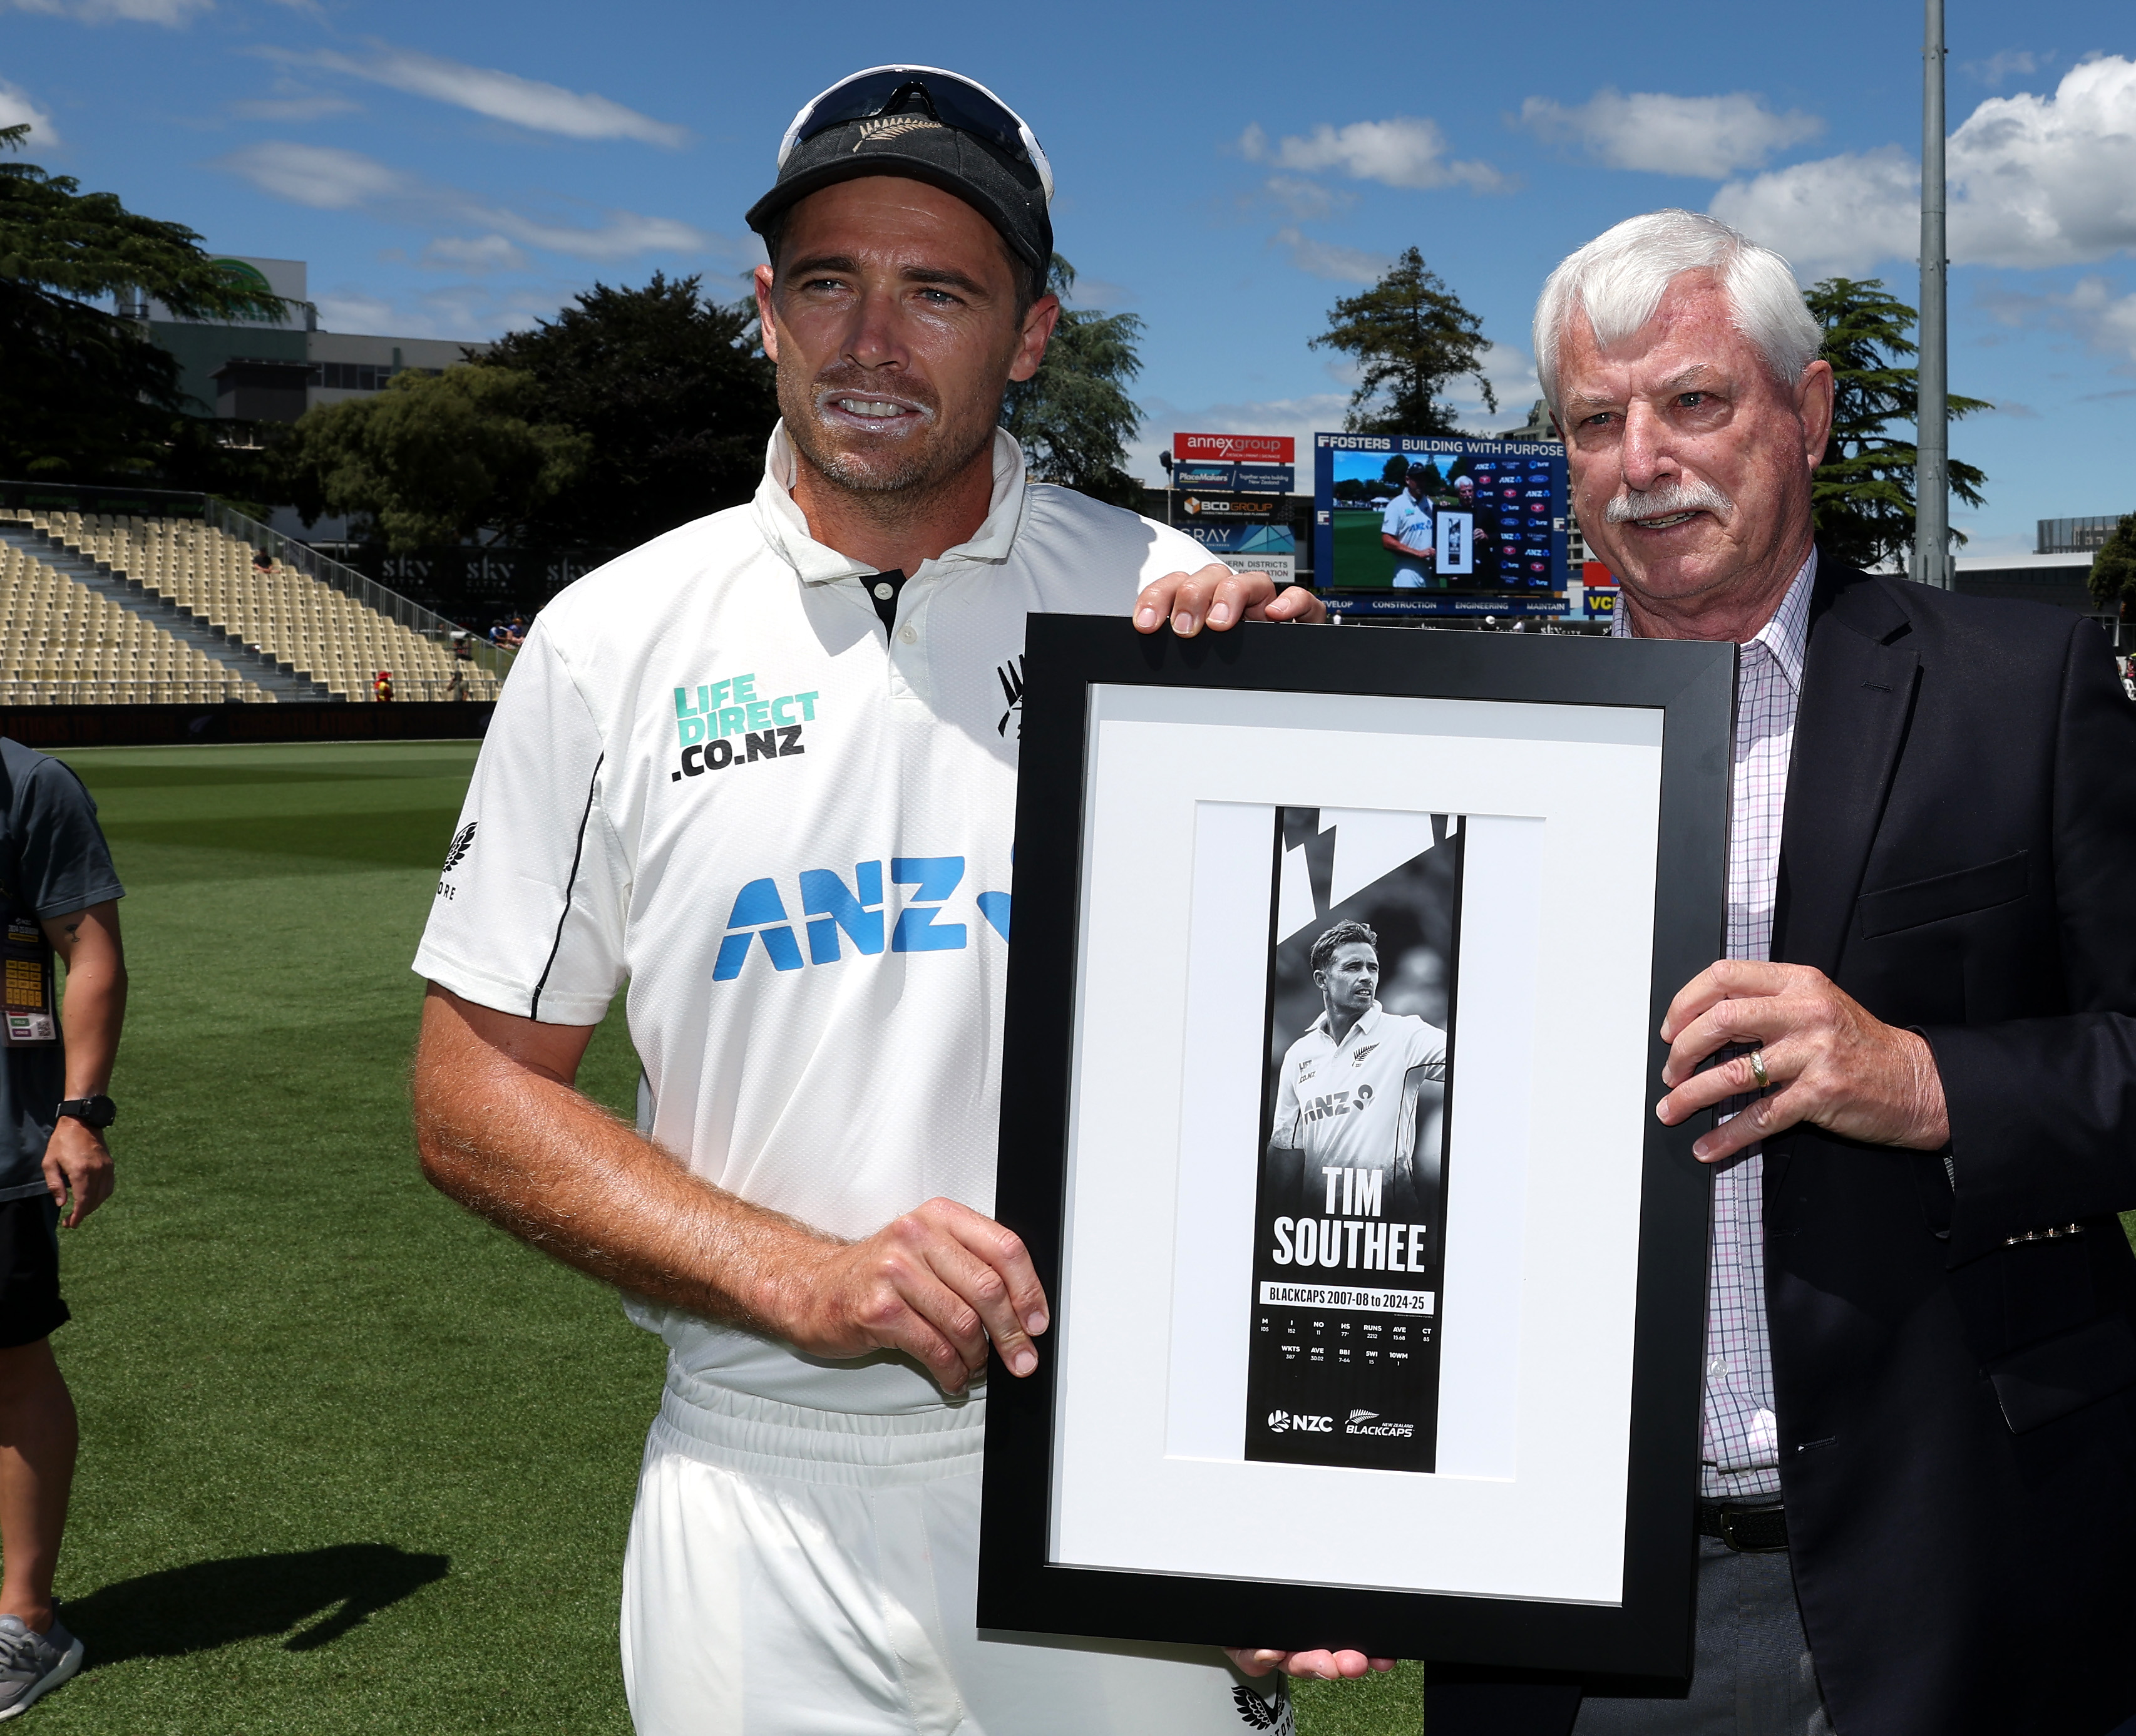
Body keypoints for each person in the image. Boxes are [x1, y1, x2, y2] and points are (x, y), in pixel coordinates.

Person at [1236, 210, 2136, 1735]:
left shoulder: (2019, 692)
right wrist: (1215, 677)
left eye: (1693, 402)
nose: (1642, 461)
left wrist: (1926, 1079)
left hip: (1957, 1577)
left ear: (1804, 415)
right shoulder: (1460, 745)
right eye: (1595, 422)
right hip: (1572, 1609)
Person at [408, 64, 1317, 1736]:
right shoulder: (611, 639)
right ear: (764, 309)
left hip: (1113, 1476)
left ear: (1031, 332)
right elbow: (469, 1094)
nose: (870, 340)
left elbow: (1340, 1059)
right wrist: (797, 1273)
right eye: (827, 282)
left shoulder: (1182, 619)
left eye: (939, 291)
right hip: (752, 1486)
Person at [0, 740, 125, 1719]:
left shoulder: (29, 786)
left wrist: (80, 1113)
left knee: (11, 1363)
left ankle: (28, 1623)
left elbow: (89, 951)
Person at [1268, 920, 1447, 1210]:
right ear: (1322, 980)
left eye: (1372, 968)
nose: (1366, 977)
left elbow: (1477, 1064)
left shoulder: (1405, 1034)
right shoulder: (1300, 1054)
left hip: (1389, 1222)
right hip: (1318, 1227)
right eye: (1353, 968)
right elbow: (1286, 1150)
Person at [1379, 465, 1435, 588]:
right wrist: (1418, 553)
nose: (1421, 482)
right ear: (1407, 480)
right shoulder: (1396, 505)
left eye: (1424, 478)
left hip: (1431, 570)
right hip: (1408, 570)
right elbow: (1387, 541)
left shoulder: (1430, 504)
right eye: (1417, 479)